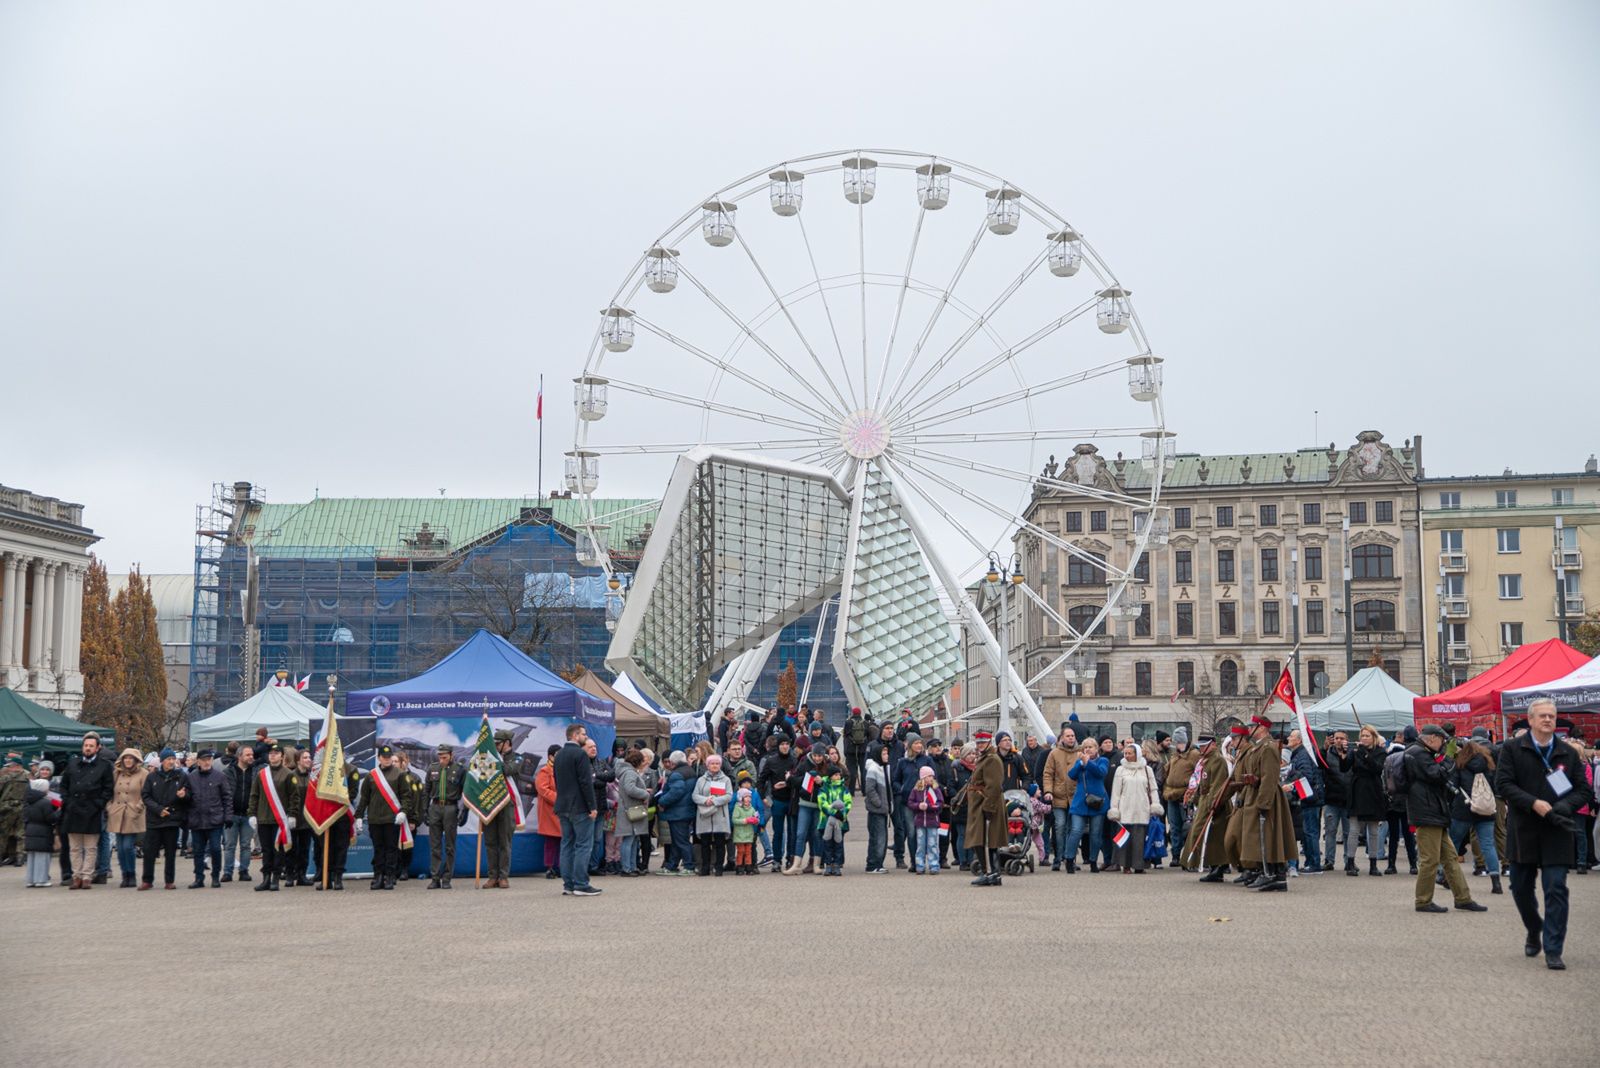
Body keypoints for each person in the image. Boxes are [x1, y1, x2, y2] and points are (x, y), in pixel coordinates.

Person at [1496, 698, 1594, 969]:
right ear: (1531, 720)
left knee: (1556, 889)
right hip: (1524, 829)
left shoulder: (1567, 752)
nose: (1548, 719)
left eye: (1552, 715)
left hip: (1557, 830)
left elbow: (1583, 790)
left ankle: (1553, 949)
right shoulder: (1513, 749)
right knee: (1520, 887)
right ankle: (1533, 927)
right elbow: (1503, 784)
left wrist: (1562, 807)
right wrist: (1533, 803)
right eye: (1543, 716)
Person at [1407, 725, 1486, 915]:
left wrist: (1445, 756)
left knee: (1450, 858)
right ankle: (1423, 900)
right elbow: (1438, 774)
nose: (1444, 744)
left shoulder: (1419, 752)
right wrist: (1449, 756)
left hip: (1433, 812)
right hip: (1427, 813)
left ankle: (1463, 898)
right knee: (1430, 860)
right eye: (1442, 741)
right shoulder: (1418, 754)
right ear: (1432, 738)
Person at [1234, 716, 1296, 892]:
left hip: (1266, 796)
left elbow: (1269, 777)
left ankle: (1272, 874)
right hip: (1255, 793)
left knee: (1268, 837)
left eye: (1252, 726)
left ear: (1261, 728)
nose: (1249, 729)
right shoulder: (1259, 747)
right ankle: (1267, 872)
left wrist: (1263, 802)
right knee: (1260, 837)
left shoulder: (1268, 747)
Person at [59, 732, 114, 889]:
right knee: (75, 847)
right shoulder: (73, 763)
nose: (88, 748)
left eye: (91, 746)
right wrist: (68, 801)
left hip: (92, 811)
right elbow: (64, 785)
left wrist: (98, 804)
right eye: (86, 745)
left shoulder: (104, 765)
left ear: (97, 748)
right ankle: (76, 876)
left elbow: (108, 789)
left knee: (90, 847)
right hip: (73, 810)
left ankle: (87, 877)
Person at [1449, 736, 1502, 896]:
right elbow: (1495, 786)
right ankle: (1496, 881)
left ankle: (1444, 875)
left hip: (1463, 808)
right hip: (1485, 809)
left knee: (1453, 843)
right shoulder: (1489, 765)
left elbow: (1453, 786)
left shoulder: (1460, 765)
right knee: (1488, 844)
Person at [553, 723, 600, 896]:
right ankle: (581, 884)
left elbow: (557, 781)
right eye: (583, 734)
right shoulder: (580, 754)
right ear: (575, 735)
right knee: (583, 845)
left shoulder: (559, 755)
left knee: (567, 845)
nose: (585, 737)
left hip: (563, 805)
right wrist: (592, 806)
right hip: (580, 806)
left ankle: (568, 884)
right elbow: (586, 782)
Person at [355, 745, 410, 891]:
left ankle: (389, 876)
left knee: (391, 849)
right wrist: (359, 816)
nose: (387, 759)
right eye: (384, 757)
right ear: (379, 758)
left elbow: (406, 796)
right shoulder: (371, 776)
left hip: (392, 819)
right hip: (374, 819)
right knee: (378, 849)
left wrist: (403, 812)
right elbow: (364, 798)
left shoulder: (399, 774)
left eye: (389, 757)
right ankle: (378, 876)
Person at [1107, 742, 1161, 873]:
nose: (1126, 755)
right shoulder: (1120, 770)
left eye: (1129, 753)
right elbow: (1116, 792)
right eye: (1125, 753)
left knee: (1140, 839)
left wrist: (1155, 804)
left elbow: (1153, 789)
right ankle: (1125, 865)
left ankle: (1139, 865)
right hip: (1125, 808)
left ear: (1137, 754)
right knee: (1125, 839)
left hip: (1142, 808)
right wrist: (1114, 808)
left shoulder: (1147, 770)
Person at [140, 749, 189, 890]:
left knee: (170, 852)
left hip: (172, 819)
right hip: (154, 819)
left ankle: (169, 880)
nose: (171, 762)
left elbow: (188, 794)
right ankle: (147, 880)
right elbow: (146, 796)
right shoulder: (152, 777)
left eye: (173, 759)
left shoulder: (181, 776)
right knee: (149, 852)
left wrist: (184, 795)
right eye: (168, 759)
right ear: (162, 761)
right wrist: (158, 809)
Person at [186, 748, 234, 888]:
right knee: (198, 851)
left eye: (209, 759)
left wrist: (228, 816)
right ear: (198, 762)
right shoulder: (191, 777)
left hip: (215, 820)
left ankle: (215, 876)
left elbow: (227, 797)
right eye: (204, 760)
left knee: (215, 849)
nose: (207, 762)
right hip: (197, 820)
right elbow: (187, 799)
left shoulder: (220, 776)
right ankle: (198, 878)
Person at [966, 731, 1007, 886]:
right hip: (980, 802)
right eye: (978, 743)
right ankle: (990, 872)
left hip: (987, 803)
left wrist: (988, 807)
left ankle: (990, 873)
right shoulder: (984, 758)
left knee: (988, 840)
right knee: (981, 839)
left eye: (983, 742)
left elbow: (994, 785)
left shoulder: (992, 759)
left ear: (989, 742)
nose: (980, 745)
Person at [1062, 739, 1109, 875]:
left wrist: (1088, 763)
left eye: (1090, 747)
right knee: (1076, 831)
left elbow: (1101, 773)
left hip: (1098, 802)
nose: (1088, 749)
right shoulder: (1080, 761)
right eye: (1085, 747)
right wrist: (1081, 763)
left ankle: (1093, 861)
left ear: (1096, 748)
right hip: (1080, 802)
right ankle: (1069, 859)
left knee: (1095, 834)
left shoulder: (1103, 761)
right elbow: (1071, 775)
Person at [783, 743, 831, 875]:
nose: (817, 758)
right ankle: (796, 864)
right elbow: (794, 780)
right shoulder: (804, 763)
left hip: (819, 806)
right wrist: (807, 778)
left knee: (817, 835)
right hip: (804, 804)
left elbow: (835, 783)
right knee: (800, 834)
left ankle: (816, 865)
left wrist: (822, 781)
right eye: (815, 755)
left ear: (823, 755)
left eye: (819, 756)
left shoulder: (829, 766)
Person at [423, 743, 465, 889]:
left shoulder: (459, 770)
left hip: (450, 808)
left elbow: (466, 792)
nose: (441, 760)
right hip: (435, 807)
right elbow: (426, 791)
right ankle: (435, 878)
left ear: (451, 755)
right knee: (435, 846)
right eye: (440, 757)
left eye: (444, 757)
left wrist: (464, 811)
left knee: (449, 846)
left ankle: (447, 878)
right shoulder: (432, 768)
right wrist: (424, 810)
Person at [106, 748, 148, 888]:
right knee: (120, 847)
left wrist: (138, 807)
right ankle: (125, 874)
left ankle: (131, 874)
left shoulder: (143, 773)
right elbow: (108, 791)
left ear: (136, 760)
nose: (128, 760)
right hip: (117, 813)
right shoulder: (116, 773)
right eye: (125, 758)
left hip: (133, 813)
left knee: (128, 846)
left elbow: (146, 793)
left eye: (131, 758)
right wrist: (109, 807)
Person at [1350, 725, 1388, 877]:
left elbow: (1377, 768)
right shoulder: (1356, 751)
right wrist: (1343, 754)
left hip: (1373, 792)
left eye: (1367, 736)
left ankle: (1373, 864)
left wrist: (1365, 755)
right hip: (1357, 791)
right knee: (1354, 830)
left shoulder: (1380, 752)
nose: (1364, 738)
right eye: (1362, 736)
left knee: (1373, 831)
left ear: (1373, 737)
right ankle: (1350, 862)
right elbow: (1347, 767)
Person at [1285, 729, 1324, 876]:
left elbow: (1306, 776)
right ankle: (1311, 862)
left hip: (1310, 798)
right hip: (1310, 797)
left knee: (1310, 832)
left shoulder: (1303, 755)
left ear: (1299, 740)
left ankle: (1314, 864)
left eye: (1291, 736)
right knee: (1309, 831)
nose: (1288, 738)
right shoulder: (1300, 754)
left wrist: (1292, 786)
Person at [691, 752, 733, 877]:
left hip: (720, 815)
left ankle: (719, 867)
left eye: (717, 763)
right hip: (704, 815)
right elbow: (695, 795)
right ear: (707, 765)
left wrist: (715, 800)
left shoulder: (726, 779)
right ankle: (705, 867)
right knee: (705, 843)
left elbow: (729, 796)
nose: (715, 766)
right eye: (712, 763)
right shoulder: (701, 780)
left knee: (720, 843)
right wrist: (705, 800)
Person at [758, 735, 796, 872]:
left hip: (792, 801)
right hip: (777, 801)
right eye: (782, 744)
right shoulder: (771, 761)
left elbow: (800, 779)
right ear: (778, 746)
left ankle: (790, 858)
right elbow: (761, 780)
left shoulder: (794, 760)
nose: (785, 747)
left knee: (792, 832)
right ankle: (777, 860)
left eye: (787, 744)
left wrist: (788, 782)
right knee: (778, 832)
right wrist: (764, 797)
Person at [654, 750, 695, 875]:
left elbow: (676, 791)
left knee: (681, 841)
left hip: (678, 812)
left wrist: (662, 801)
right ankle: (672, 865)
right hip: (686, 810)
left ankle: (689, 866)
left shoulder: (676, 774)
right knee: (678, 841)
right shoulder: (690, 771)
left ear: (672, 762)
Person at [1320, 730, 1355, 873]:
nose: (1339, 740)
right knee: (1330, 831)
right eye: (1336, 738)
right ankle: (1329, 860)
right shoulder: (1328, 753)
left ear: (1347, 740)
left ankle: (1349, 861)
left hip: (1348, 799)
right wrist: (1324, 748)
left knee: (1348, 833)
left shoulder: (1352, 754)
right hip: (1332, 798)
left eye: (1342, 738)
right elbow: (1319, 763)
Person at [1161, 728, 1197, 861]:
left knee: (1187, 827)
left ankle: (1188, 855)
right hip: (1171, 795)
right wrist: (1166, 788)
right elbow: (1167, 772)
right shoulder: (1174, 755)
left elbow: (1198, 774)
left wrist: (1192, 791)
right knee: (1174, 826)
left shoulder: (1194, 755)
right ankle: (1175, 855)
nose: (1176, 745)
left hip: (1186, 796)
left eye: (1179, 742)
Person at [615, 749, 651, 877]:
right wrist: (645, 793)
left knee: (633, 839)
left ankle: (632, 866)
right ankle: (627, 868)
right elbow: (630, 789)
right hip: (630, 810)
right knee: (629, 839)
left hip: (630, 809)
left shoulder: (627, 771)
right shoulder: (630, 772)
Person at [222, 743, 255, 884]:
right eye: (248, 755)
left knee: (246, 845)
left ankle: (244, 871)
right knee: (229, 845)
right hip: (232, 813)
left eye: (252, 754)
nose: (251, 757)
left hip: (248, 814)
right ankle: (227, 872)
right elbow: (224, 793)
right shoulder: (228, 772)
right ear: (239, 756)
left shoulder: (255, 772)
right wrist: (226, 812)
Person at [395, 749, 425, 882]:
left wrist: (414, 820)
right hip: (392, 817)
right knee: (392, 845)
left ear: (405, 762)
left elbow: (418, 800)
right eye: (393, 761)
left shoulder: (414, 778)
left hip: (408, 818)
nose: (395, 764)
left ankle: (404, 869)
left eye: (397, 761)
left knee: (406, 846)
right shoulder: (389, 777)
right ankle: (393, 870)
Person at [23, 774, 58, 887]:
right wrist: (59, 812)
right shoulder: (45, 802)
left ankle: (31, 880)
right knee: (42, 856)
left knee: (32, 857)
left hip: (30, 830)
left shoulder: (28, 801)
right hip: (43, 831)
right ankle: (41, 880)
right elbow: (51, 818)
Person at [533, 741, 561, 881]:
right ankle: (550, 868)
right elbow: (543, 789)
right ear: (550, 756)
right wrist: (560, 799)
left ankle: (560, 866)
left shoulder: (562, 769)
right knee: (551, 841)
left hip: (561, 810)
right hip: (550, 811)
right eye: (558, 755)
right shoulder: (544, 771)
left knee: (562, 840)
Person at [909, 765, 943, 875]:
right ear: (923, 778)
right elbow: (910, 802)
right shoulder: (916, 790)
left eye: (932, 776)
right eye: (929, 776)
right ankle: (920, 866)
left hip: (932, 822)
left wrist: (929, 806)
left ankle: (934, 865)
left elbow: (940, 803)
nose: (931, 778)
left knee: (932, 845)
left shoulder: (935, 790)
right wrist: (918, 806)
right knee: (920, 845)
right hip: (920, 822)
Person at [862, 744, 891, 874]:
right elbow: (869, 789)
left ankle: (878, 863)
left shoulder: (884, 768)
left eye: (887, 753)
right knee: (878, 838)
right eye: (884, 753)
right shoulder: (873, 769)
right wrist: (879, 803)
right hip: (877, 810)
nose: (886, 756)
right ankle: (873, 864)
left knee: (881, 838)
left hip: (883, 809)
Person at [0, 752, 28, 866]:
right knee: (20, 834)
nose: (9, 767)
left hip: (6, 808)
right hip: (22, 807)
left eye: (11, 765)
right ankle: (20, 857)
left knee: (3, 833)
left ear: (16, 765)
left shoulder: (5, 777)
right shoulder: (27, 777)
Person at [842, 706, 872, 794]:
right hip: (863, 750)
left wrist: (845, 750)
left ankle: (851, 791)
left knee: (851, 771)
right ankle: (864, 791)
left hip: (851, 750)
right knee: (863, 770)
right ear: (860, 713)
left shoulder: (848, 722)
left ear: (852, 713)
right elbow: (868, 736)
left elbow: (845, 735)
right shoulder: (866, 723)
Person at [730, 787, 759, 874]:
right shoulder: (737, 808)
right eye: (746, 797)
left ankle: (748, 867)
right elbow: (734, 820)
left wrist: (756, 820)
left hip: (749, 834)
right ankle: (739, 867)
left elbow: (755, 817)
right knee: (741, 851)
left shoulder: (752, 808)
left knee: (748, 851)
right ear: (741, 798)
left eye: (749, 797)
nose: (748, 799)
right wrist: (745, 820)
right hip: (740, 834)